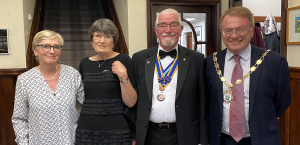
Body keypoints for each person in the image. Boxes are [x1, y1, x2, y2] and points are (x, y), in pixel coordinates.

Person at [205, 6, 291, 145]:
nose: (234, 35)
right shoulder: (210, 62)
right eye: (228, 30)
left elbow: (283, 101)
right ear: (222, 32)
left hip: (262, 139)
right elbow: (207, 101)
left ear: (252, 31)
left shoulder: (274, 62)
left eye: (240, 29)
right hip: (221, 140)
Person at [132, 8, 209, 145]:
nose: (168, 29)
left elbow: (202, 102)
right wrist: (133, 136)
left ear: (180, 29)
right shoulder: (139, 58)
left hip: (184, 135)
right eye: (163, 25)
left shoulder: (197, 59)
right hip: (148, 134)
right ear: (156, 30)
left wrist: (203, 140)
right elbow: (134, 101)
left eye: (173, 24)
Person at [11, 30, 85, 144]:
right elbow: (19, 119)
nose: (52, 51)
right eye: (46, 46)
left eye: (56, 47)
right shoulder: (24, 80)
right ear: (35, 51)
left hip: (70, 141)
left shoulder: (72, 75)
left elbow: (87, 105)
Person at [75, 18, 137, 145]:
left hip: (117, 131)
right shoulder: (84, 63)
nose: (102, 41)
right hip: (87, 130)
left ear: (114, 41)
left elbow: (131, 102)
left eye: (107, 36)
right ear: (92, 40)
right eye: (98, 35)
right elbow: (80, 96)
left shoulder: (124, 60)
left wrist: (123, 76)